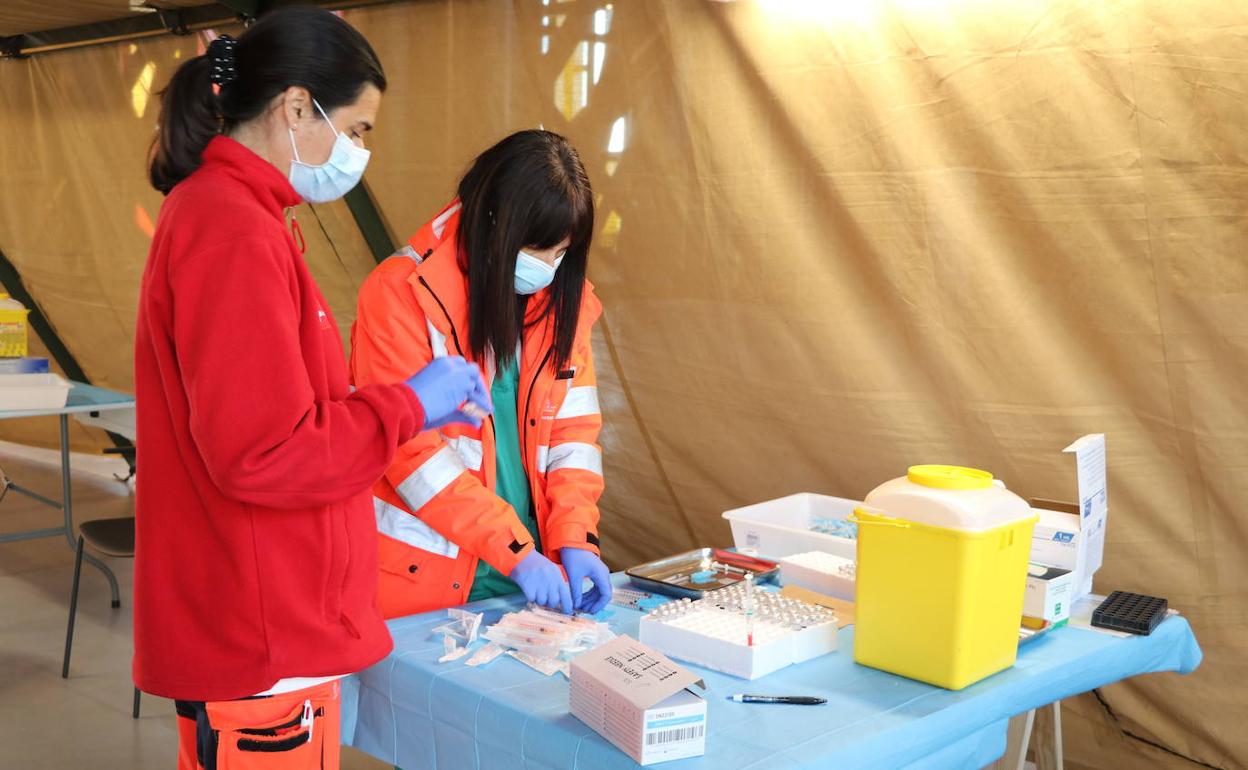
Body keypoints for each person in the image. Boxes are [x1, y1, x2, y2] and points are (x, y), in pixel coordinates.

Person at [133, 8, 491, 770]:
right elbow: (263, 453)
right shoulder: (231, 227)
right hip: (260, 632)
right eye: (357, 129)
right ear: (297, 107)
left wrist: (399, 405)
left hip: (266, 617)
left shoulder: (245, 217)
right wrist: (407, 403)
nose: (360, 151)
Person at [350, 130, 613, 622]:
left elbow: (573, 437)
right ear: (495, 224)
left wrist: (576, 537)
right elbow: (411, 456)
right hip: (426, 580)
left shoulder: (563, 307)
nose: (549, 268)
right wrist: (516, 553)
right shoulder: (399, 295)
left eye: (561, 254)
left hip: (532, 573)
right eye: (539, 251)